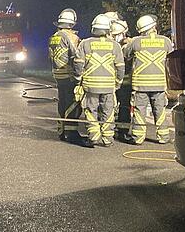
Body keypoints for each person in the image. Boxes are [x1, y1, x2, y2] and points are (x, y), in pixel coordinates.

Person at [73, 14, 125, 148]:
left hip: (91, 86)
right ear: (108, 29)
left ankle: (94, 136)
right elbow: (120, 67)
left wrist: (78, 80)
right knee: (108, 111)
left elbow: (78, 64)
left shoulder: (85, 43)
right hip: (109, 86)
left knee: (90, 110)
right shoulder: (115, 46)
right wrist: (118, 82)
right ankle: (108, 138)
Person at [123, 15, 174, 144]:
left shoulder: (135, 42)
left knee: (140, 111)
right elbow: (171, 58)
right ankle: (163, 137)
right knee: (160, 111)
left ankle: (138, 138)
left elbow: (126, 55)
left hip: (140, 85)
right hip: (159, 84)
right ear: (154, 26)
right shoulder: (165, 41)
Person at [48, 8, 81, 142]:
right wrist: (79, 76)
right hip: (69, 75)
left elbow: (50, 56)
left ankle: (61, 130)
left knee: (62, 102)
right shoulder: (71, 37)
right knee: (72, 103)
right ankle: (71, 133)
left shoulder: (54, 37)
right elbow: (76, 57)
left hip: (57, 74)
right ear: (72, 23)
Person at [109, 17, 133, 138]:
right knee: (109, 106)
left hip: (125, 82)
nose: (114, 37)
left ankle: (123, 130)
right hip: (113, 82)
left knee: (124, 105)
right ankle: (109, 129)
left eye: (116, 35)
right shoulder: (113, 45)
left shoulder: (129, 45)